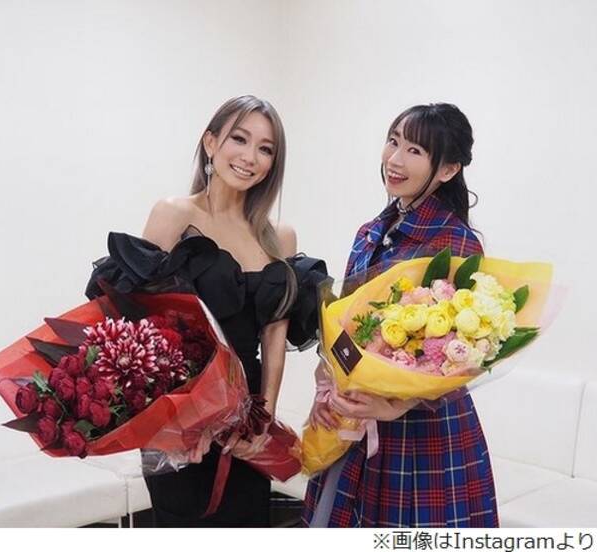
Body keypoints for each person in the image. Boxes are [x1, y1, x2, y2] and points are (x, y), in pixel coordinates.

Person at [86, 95, 326, 527]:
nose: (250, 157)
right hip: (179, 413)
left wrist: (263, 418)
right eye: (240, 139)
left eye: (265, 149)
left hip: (246, 420)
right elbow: (140, 324)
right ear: (211, 142)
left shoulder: (280, 236)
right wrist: (173, 425)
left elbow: (274, 336)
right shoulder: (175, 214)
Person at [302, 103, 499, 528]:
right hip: (355, 414)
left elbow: (469, 353)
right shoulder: (369, 232)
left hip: (421, 434)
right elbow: (344, 325)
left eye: (414, 150)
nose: (394, 159)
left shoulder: (455, 243)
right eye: (393, 142)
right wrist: (326, 384)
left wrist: (398, 404)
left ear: (448, 169)